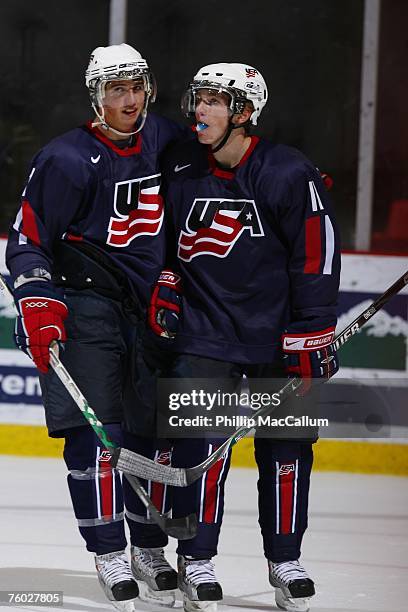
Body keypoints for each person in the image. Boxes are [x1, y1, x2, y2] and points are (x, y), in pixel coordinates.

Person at [145, 62, 340, 612]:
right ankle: (197, 558)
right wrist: (163, 277)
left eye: (213, 101)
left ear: (244, 113)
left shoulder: (285, 171)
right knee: (199, 449)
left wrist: (313, 331)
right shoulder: (180, 163)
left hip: (278, 339)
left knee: (288, 453)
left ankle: (285, 560)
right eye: (197, 98)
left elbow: (317, 253)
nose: (198, 109)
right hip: (203, 336)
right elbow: (154, 230)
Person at [6, 43, 187, 612]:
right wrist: (36, 298)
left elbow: (217, 189)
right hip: (86, 307)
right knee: (96, 436)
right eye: (116, 90)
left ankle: (149, 547)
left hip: (151, 310)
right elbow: (27, 238)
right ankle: (109, 550)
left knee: (152, 437)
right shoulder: (65, 158)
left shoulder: (167, 142)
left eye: (136, 87)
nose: (129, 100)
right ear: (97, 97)